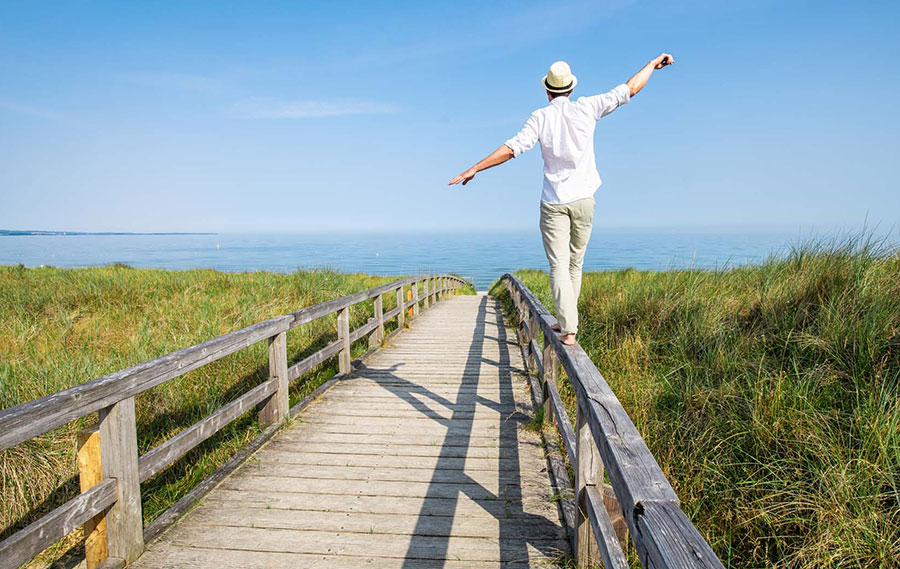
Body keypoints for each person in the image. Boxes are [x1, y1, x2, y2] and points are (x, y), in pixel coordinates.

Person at [449, 54, 674, 345]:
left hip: (553, 202)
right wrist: (653, 64)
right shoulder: (588, 107)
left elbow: (512, 148)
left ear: (547, 91)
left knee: (558, 266)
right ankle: (567, 323)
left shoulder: (540, 117)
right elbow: (630, 88)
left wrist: (476, 167)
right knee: (575, 265)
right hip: (584, 200)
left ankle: (568, 326)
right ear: (571, 88)